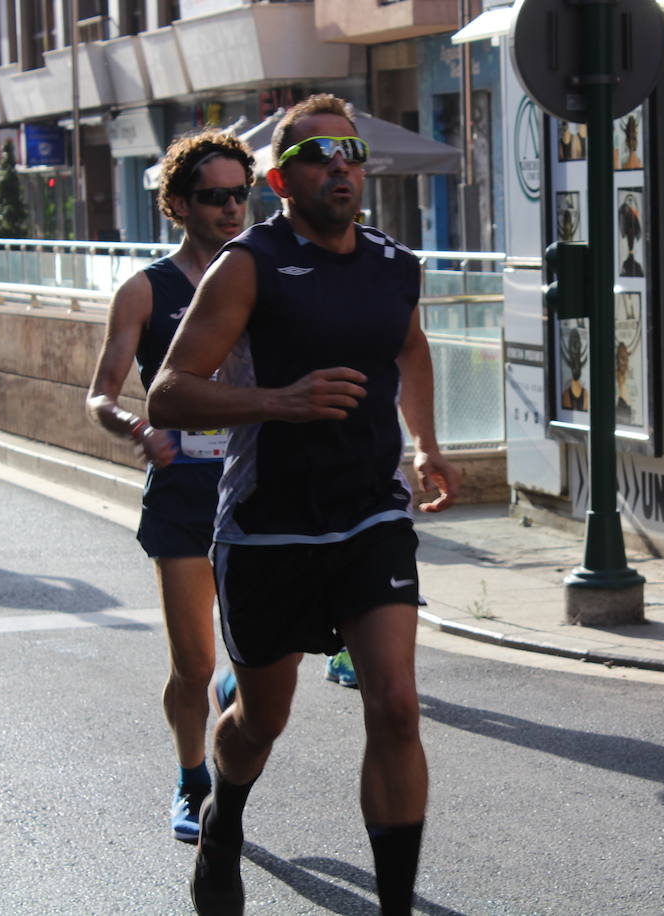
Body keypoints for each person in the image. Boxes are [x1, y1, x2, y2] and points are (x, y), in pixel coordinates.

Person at [147, 94, 461, 916]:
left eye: (352, 154)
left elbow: (411, 344)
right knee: (261, 720)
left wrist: (423, 442)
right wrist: (282, 402)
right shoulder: (247, 264)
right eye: (321, 154)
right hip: (267, 523)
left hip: (370, 512)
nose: (342, 168)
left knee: (394, 703)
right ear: (283, 177)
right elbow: (170, 394)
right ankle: (225, 817)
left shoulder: (395, 264)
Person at [85, 129, 257, 843]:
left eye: (241, 195)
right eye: (215, 198)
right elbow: (100, 392)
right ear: (179, 206)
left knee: (260, 667)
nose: (231, 209)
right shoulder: (145, 290)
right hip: (184, 489)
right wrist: (135, 428)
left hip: (256, 487)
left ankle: (230, 691)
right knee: (194, 665)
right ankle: (193, 784)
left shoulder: (262, 276)